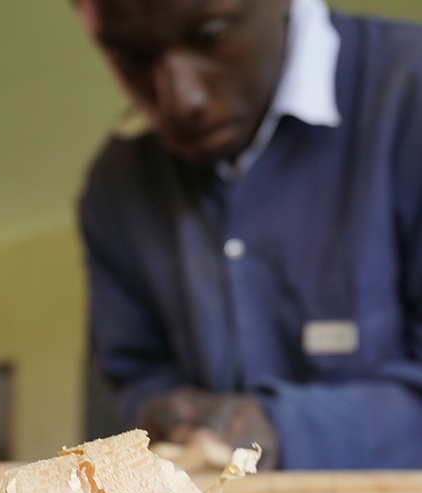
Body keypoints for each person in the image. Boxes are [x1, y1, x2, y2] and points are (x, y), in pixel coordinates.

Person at [75, 0, 422, 469]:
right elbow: (134, 370)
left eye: (212, 35)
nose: (183, 98)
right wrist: (165, 411)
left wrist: (285, 430)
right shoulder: (115, 185)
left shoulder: (408, 92)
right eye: (132, 57)